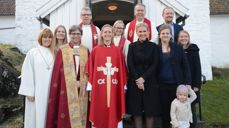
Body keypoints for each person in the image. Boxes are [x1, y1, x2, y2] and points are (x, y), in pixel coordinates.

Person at [46, 25, 90, 128]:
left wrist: (82, 82)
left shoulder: (86, 50)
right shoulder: (63, 50)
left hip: (82, 88)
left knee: (82, 111)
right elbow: (57, 73)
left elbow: (89, 70)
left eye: (78, 34)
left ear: (81, 35)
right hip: (66, 89)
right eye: (73, 33)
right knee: (66, 114)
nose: (75, 36)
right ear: (69, 35)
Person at [86, 24, 127, 128]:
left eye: (109, 32)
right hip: (99, 88)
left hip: (115, 87)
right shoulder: (95, 50)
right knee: (100, 109)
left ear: (112, 34)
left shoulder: (118, 51)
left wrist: (123, 86)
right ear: (102, 34)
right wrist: (90, 88)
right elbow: (90, 70)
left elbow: (122, 70)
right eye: (105, 32)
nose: (108, 34)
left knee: (114, 107)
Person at [18, 28, 55, 128]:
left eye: (49, 37)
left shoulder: (55, 53)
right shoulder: (33, 52)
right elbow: (27, 71)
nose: (47, 39)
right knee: (36, 116)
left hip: (51, 91)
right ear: (40, 38)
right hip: (37, 91)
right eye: (45, 37)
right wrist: (29, 92)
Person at [126, 23, 159, 128]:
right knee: (137, 111)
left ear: (148, 32)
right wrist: (138, 80)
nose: (142, 33)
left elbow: (155, 64)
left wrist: (143, 79)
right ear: (136, 32)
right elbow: (130, 64)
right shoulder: (132, 46)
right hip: (135, 82)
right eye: (140, 31)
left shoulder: (154, 47)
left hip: (150, 81)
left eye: (144, 31)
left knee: (150, 110)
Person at [157, 24, 191, 128]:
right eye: (163, 33)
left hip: (176, 85)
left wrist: (188, 83)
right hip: (161, 85)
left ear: (171, 35)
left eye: (167, 33)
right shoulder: (156, 48)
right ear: (159, 36)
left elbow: (185, 66)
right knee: (165, 112)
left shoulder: (177, 47)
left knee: (178, 112)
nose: (165, 35)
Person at [178, 30, 202, 128]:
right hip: (179, 85)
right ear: (178, 38)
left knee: (191, 110)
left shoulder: (193, 50)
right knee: (180, 110)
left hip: (191, 85)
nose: (183, 38)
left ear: (188, 38)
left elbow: (197, 68)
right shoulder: (176, 49)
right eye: (181, 37)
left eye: (185, 36)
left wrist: (196, 85)